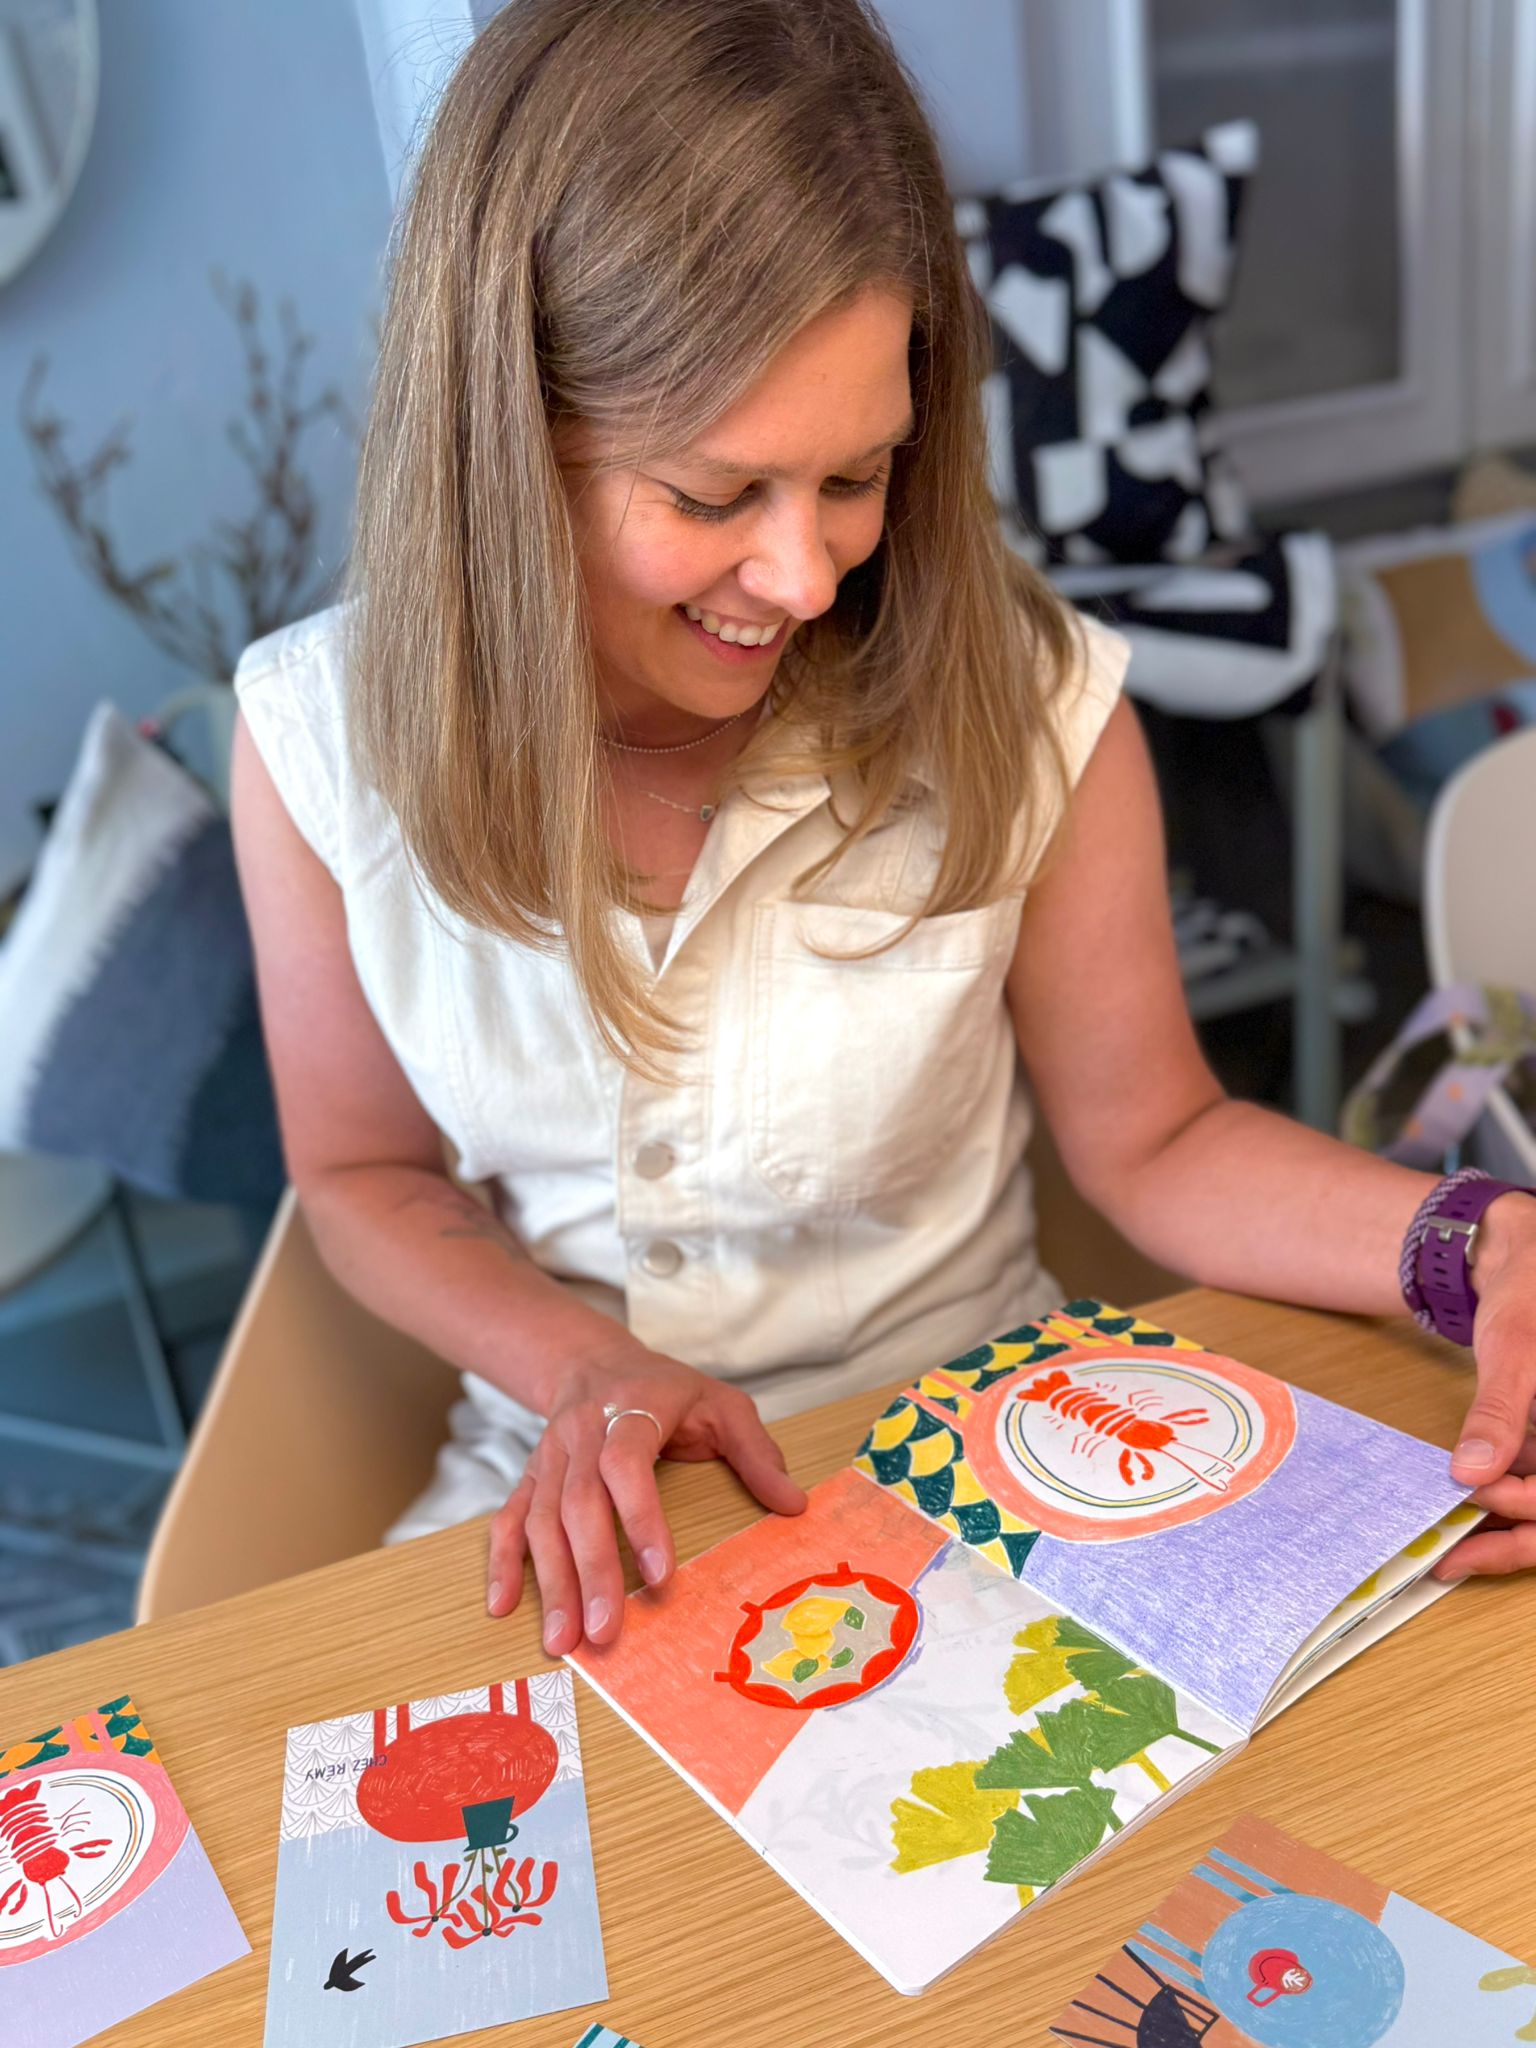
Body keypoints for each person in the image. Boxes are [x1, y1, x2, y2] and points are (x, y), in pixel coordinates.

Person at [231, 0, 1536, 1663]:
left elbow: (1158, 1143)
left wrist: (1473, 1240)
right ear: (503, 445)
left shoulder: (1030, 699)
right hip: (572, 1480)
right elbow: (358, 1172)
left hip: (985, 1453)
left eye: (859, 477)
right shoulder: (317, 741)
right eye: (715, 497)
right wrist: (582, 1364)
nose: (806, 578)